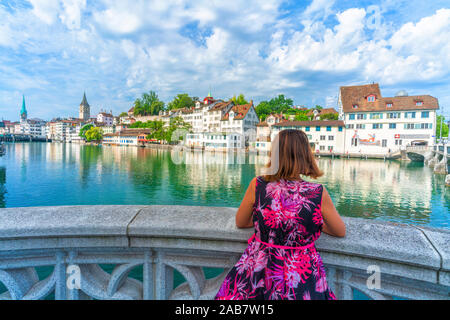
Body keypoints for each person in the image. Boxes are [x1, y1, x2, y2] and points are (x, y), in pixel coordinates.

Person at [215, 129, 346, 300]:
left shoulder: (258, 185)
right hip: (300, 274)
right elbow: (339, 231)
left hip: (260, 268)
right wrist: (314, 223)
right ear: (305, 155)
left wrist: (265, 221)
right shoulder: (317, 192)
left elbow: (241, 221)